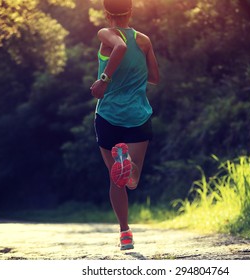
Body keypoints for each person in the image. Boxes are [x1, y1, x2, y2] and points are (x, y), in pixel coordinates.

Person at [90, 0, 159, 250]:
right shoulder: (144, 40)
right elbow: (155, 77)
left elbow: (119, 46)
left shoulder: (106, 33)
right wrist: (134, 73)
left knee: (114, 180)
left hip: (108, 115)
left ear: (107, 14)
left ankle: (125, 232)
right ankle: (129, 169)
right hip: (138, 114)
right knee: (134, 177)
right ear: (131, 11)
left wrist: (105, 80)